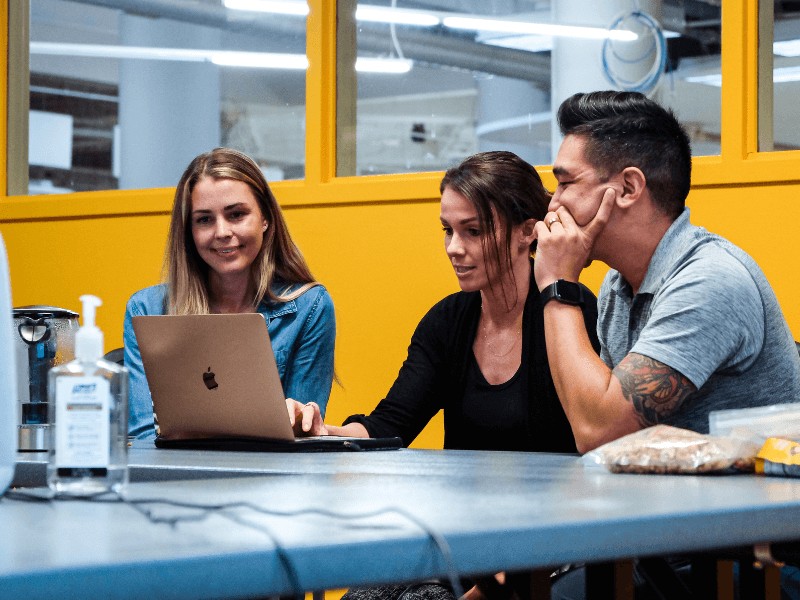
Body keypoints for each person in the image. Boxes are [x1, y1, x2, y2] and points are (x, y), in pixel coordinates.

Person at [533, 91, 800, 599]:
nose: (553, 205)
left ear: (628, 187)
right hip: (668, 538)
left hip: (756, 556)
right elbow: (600, 440)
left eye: (566, 183)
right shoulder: (620, 286)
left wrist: (558, 287)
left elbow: (598, 431)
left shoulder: (710, 279)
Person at [288, 150, 599, 453]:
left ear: (527, 231)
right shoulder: (447, 321)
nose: (454, 247)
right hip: (465, 504)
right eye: (448, 231)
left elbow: (598, 432)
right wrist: (319, 431)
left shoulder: (568, 308)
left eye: (473, 231)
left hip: (556, 502)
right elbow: (389, 426)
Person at [124, 147, 336, 440]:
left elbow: (301, 437)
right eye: (204, 219)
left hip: (268, 480)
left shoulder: (310, 307)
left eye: (236, 214)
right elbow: (144, 438)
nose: (221, 231)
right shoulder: (146, 309)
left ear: (265, 219)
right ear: (189, 231)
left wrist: (301, 420)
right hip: (173, 480)